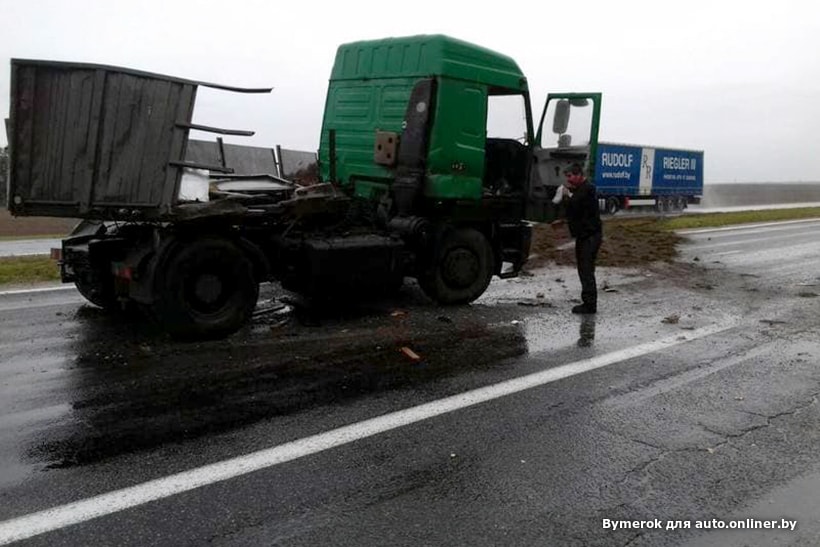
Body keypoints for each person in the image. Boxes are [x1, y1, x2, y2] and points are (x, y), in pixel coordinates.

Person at [562, 163, 602, 314]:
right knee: (584, 268)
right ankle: (589, 301)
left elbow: (574, 206)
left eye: (570, 176)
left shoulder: (587, 190)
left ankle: (590, 304)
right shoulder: (583, 189)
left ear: (579, 175)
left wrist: (566, 196)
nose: (568, 180)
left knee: (586, 269)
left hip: (589, 236)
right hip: (585, 235)